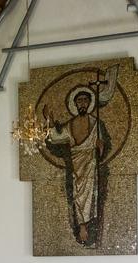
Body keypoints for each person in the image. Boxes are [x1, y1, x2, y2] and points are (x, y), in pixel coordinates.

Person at [43, 87, 112, 247]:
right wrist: (50, 121)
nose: (82, 103)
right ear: (75, 104)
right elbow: (57, 138)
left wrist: (101, 147)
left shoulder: (96, 124)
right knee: (76, 195)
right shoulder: (70, 125)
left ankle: (89, 228)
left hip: (91, 164)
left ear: (89, 103)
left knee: (91, 196)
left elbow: (105, 144)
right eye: (79, 101)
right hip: (75, 165)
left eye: (85, 100)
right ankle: (81, 227)